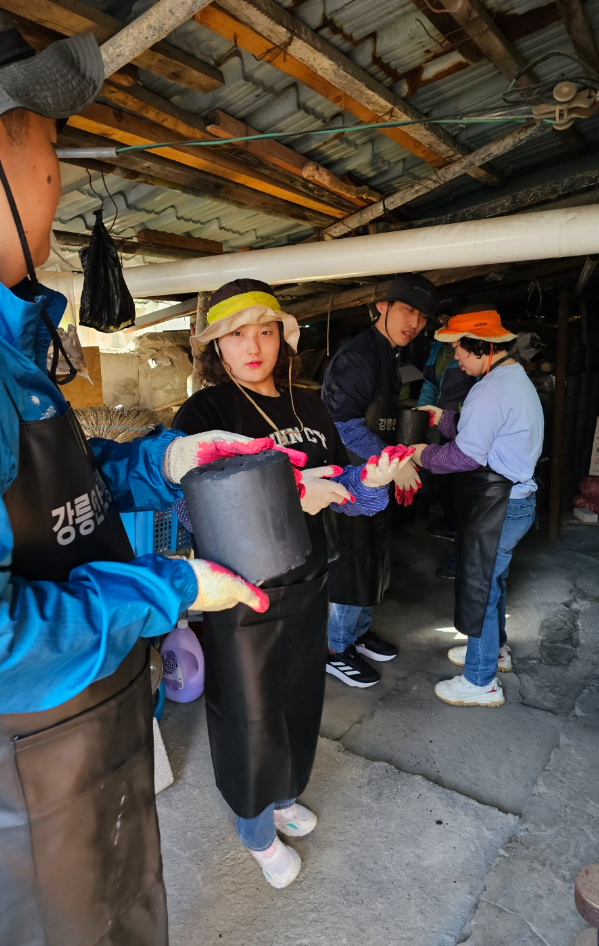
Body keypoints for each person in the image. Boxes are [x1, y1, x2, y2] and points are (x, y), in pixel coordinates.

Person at [0, 6, 278, 944]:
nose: (54, 166)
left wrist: (166, 460)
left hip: (77, 756)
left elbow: (47, 505)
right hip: (11, 804)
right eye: (49, 135)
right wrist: (168, 587)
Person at [173, 278, 418, 888]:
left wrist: (375, 479)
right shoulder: (204, 413)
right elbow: (187, 507)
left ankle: (280, 796)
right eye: (236, 335)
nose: (253, 346)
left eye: (265, 331)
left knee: (298, 703)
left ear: (283, 336)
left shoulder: (308, 407)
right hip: (239, 592)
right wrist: (282, 496)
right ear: (216, 347)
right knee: (249, 714)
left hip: (309, 580)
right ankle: (254, 830)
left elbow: (347, 494)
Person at [411, 308, 544, 707]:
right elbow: (484, 432)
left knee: (480, 588)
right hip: (514, 500)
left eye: (460, 351)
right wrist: (446, 417)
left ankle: (481, 680)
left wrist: (423, 455)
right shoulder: (510, 379)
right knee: (494, 582)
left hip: (501, 503)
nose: (457, 360)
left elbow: (465, 457)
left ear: (484, 347)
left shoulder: (490, 389)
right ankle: (493, 651)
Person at [321, 273, 438, 687]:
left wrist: (402, 458)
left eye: (422, 317)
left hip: (377, 475)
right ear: (382, 307)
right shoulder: (357, 357)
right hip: (351, 478)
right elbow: (342, 425)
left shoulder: (390, 355)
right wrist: (392, 462)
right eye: (407, 310)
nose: (414, 323)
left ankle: (358, 632)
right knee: (352, 562)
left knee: (374, 558)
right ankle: (336, 648)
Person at [418, 334, 478, 578]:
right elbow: (430, 384)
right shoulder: (437, 350)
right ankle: (452, 523)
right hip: (447, 422)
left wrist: (422, 456)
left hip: (463, 424)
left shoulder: (484, 372)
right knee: (447, 483)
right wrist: (423, 413)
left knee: (463, 488)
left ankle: (464, 555)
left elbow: (474, 394)